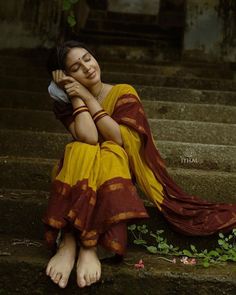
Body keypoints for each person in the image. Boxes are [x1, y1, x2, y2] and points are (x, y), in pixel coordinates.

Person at [42, 40, 236, 289]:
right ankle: (69, 242)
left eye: (88, 58)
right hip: (81, 170)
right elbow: (89, 136)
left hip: (115, 171)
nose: (88, 67)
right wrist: (75, 96)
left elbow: (119, 138)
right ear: (68, 77)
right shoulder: (66, 102)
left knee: (111, 150)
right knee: (80, 148)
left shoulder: (123, 92)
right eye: (76, 68)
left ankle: (89, 245)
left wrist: (87, 96)